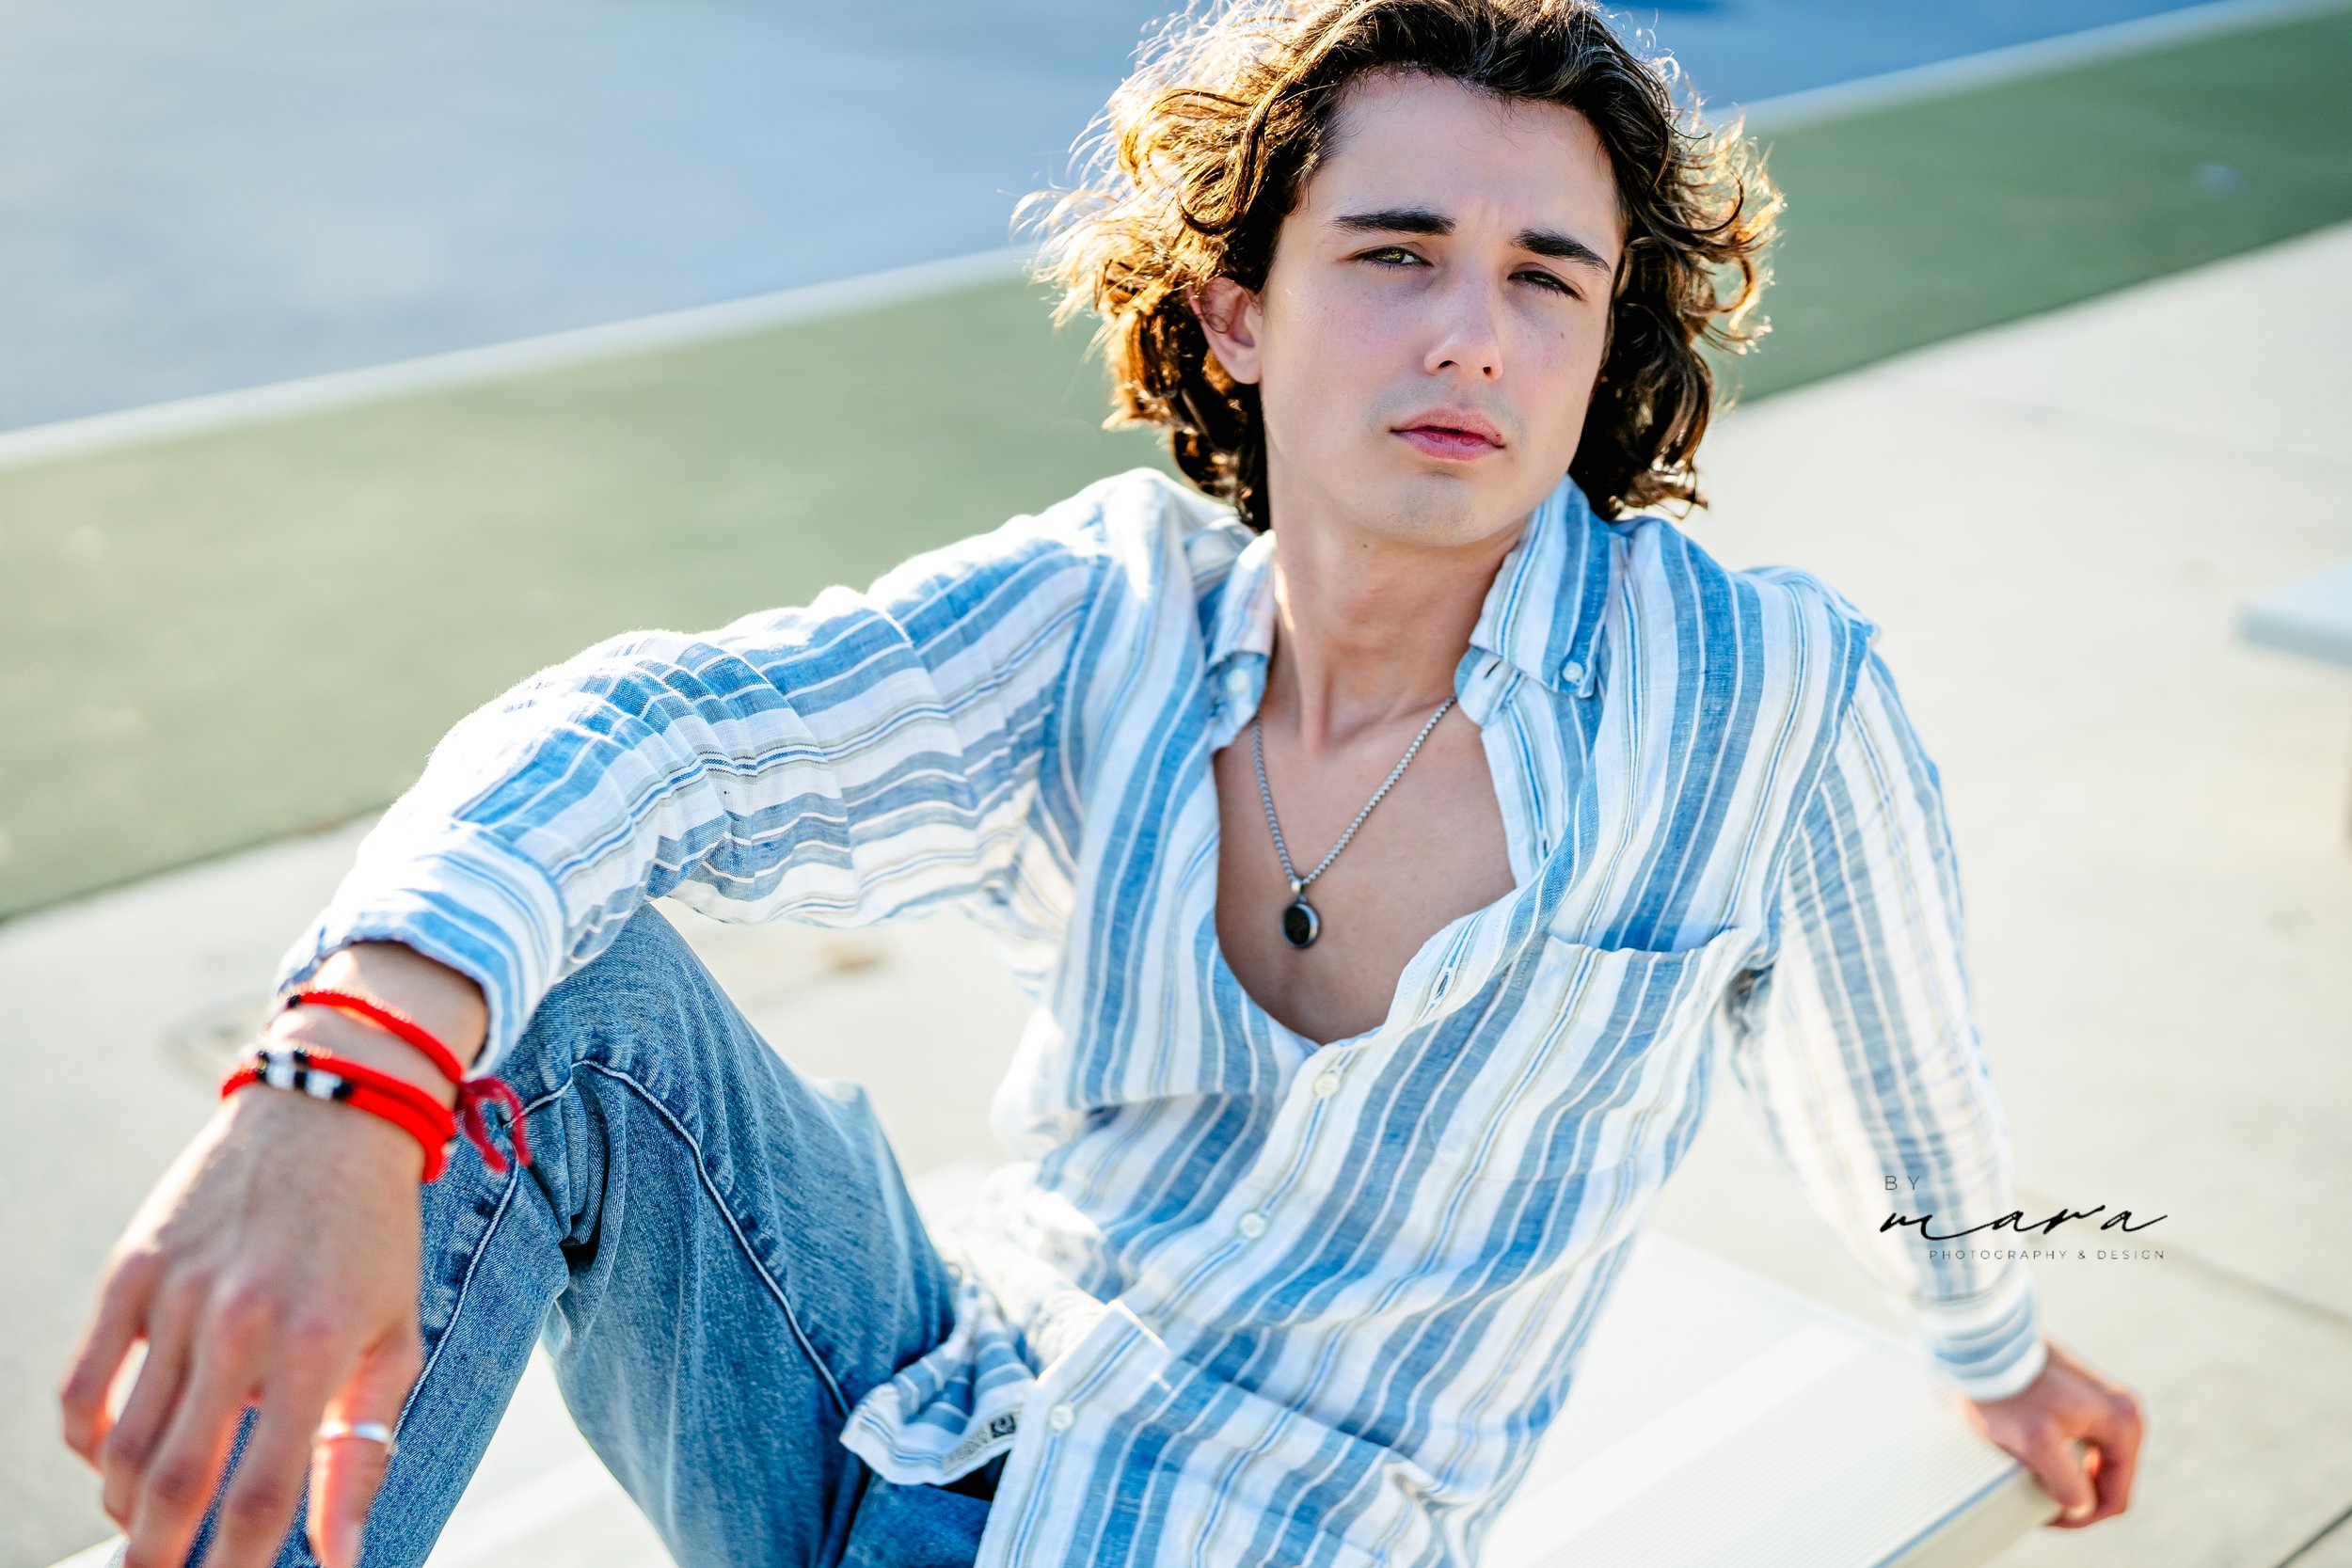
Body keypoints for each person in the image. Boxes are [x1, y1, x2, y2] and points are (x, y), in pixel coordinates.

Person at [58, 1, 2146, 1564]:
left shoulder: (1761, 695)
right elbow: (640, 735)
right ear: (1238, 312)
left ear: (1607, 346)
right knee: (549, 999)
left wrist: (1992, 1343)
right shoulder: (1104, 617)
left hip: (1257, 1534)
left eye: (1544, 280)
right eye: (1393, 252)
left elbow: (1897, 1089)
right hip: (897, 1417)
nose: (1471, 339)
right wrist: (333, 1086)